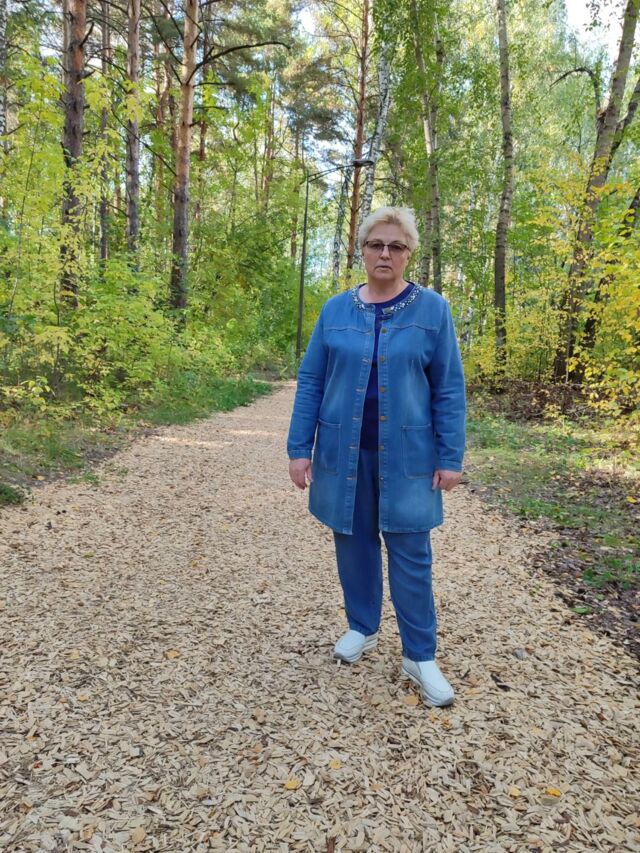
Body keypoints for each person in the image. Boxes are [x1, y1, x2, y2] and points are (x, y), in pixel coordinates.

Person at [287, 206, 466, 707]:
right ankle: (362, 626)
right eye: (376, 244)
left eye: (396, 246)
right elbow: (311, 380)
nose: (385, 253)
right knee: (352, 541)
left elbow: (448, 387)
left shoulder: (433, 310)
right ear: (362, 250)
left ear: (409, 254)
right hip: (343, 452)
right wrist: (299, 448)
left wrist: (451, 455)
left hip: (409, 454)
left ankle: (419, 655)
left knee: (411, 551)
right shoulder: (335, 311)